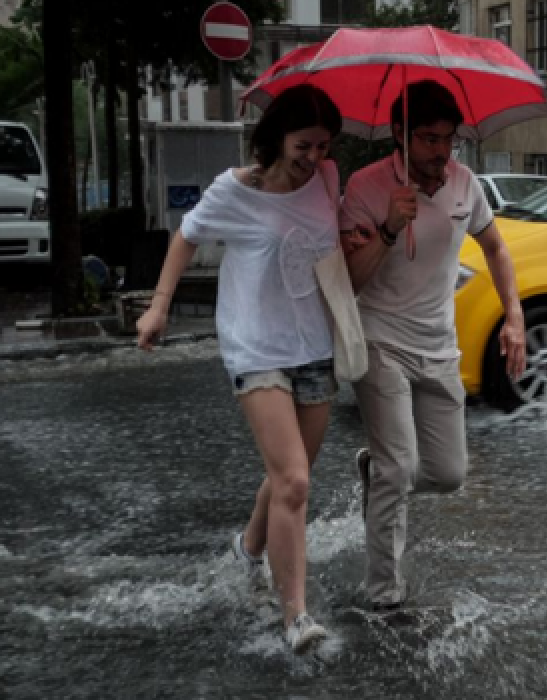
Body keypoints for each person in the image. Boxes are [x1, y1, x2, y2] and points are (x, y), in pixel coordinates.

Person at [135, 84, 343, 653]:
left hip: (316, 346)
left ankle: (248, 548)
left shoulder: (327, 181)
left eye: (324, 146)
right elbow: (186, 238)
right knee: (294, 481)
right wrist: (159, 305)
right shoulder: (236, 189)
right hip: (256, 349)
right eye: (305, 144)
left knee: (288, 477)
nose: (314, 158)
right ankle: (295, 616)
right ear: (277, 137)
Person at [339, 80, 526, 612]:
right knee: (399, 468)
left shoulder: (466, 185)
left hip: (439, 347)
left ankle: (376, 476)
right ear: (400, 137)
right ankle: (385, 597)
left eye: (449, 140)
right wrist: (389, 229)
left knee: (447, 474)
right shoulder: (367, 188)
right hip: (380, 341)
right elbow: (350, 279)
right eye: (427, 139)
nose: (441, 152)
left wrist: (515, 317)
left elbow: (496, 247)